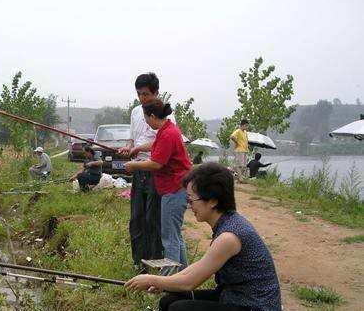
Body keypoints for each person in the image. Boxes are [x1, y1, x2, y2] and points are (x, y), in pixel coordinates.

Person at [125, 162, 282, 311]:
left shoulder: (229, 237)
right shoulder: (227, 223)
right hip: (232, 297)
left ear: (213, 201)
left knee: (178, 308)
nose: (189, 206)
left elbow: (190, 283)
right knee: (169, 300)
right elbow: (199, 266)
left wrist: (152, 279)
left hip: (253, 306)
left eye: (191, 200)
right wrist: (164, 283)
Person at [117, 73, 178, 270]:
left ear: (156, 93)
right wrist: (129, 147)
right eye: (139, 94)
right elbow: (132, 138)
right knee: (137, 218)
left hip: (155, 171)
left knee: (153, 219)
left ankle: (155, 262)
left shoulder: (165, 115)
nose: (142, 98)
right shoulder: (136, 112)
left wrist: (139, 149)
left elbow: (163, 143)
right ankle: (138, 261)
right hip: (138, 170)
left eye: (146, 94)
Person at [124, 99, 191, 272]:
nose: (146, 123)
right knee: (175, 236)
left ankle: (168, 281)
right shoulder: (166, 129)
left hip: (174, 190)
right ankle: (183, 275)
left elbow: (156, 164)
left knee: (169, 238)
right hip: (175, 189)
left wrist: (133, 165)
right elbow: (155, 145)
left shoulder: (168, 134)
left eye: (146, 120)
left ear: (153, 116)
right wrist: (137, 148)